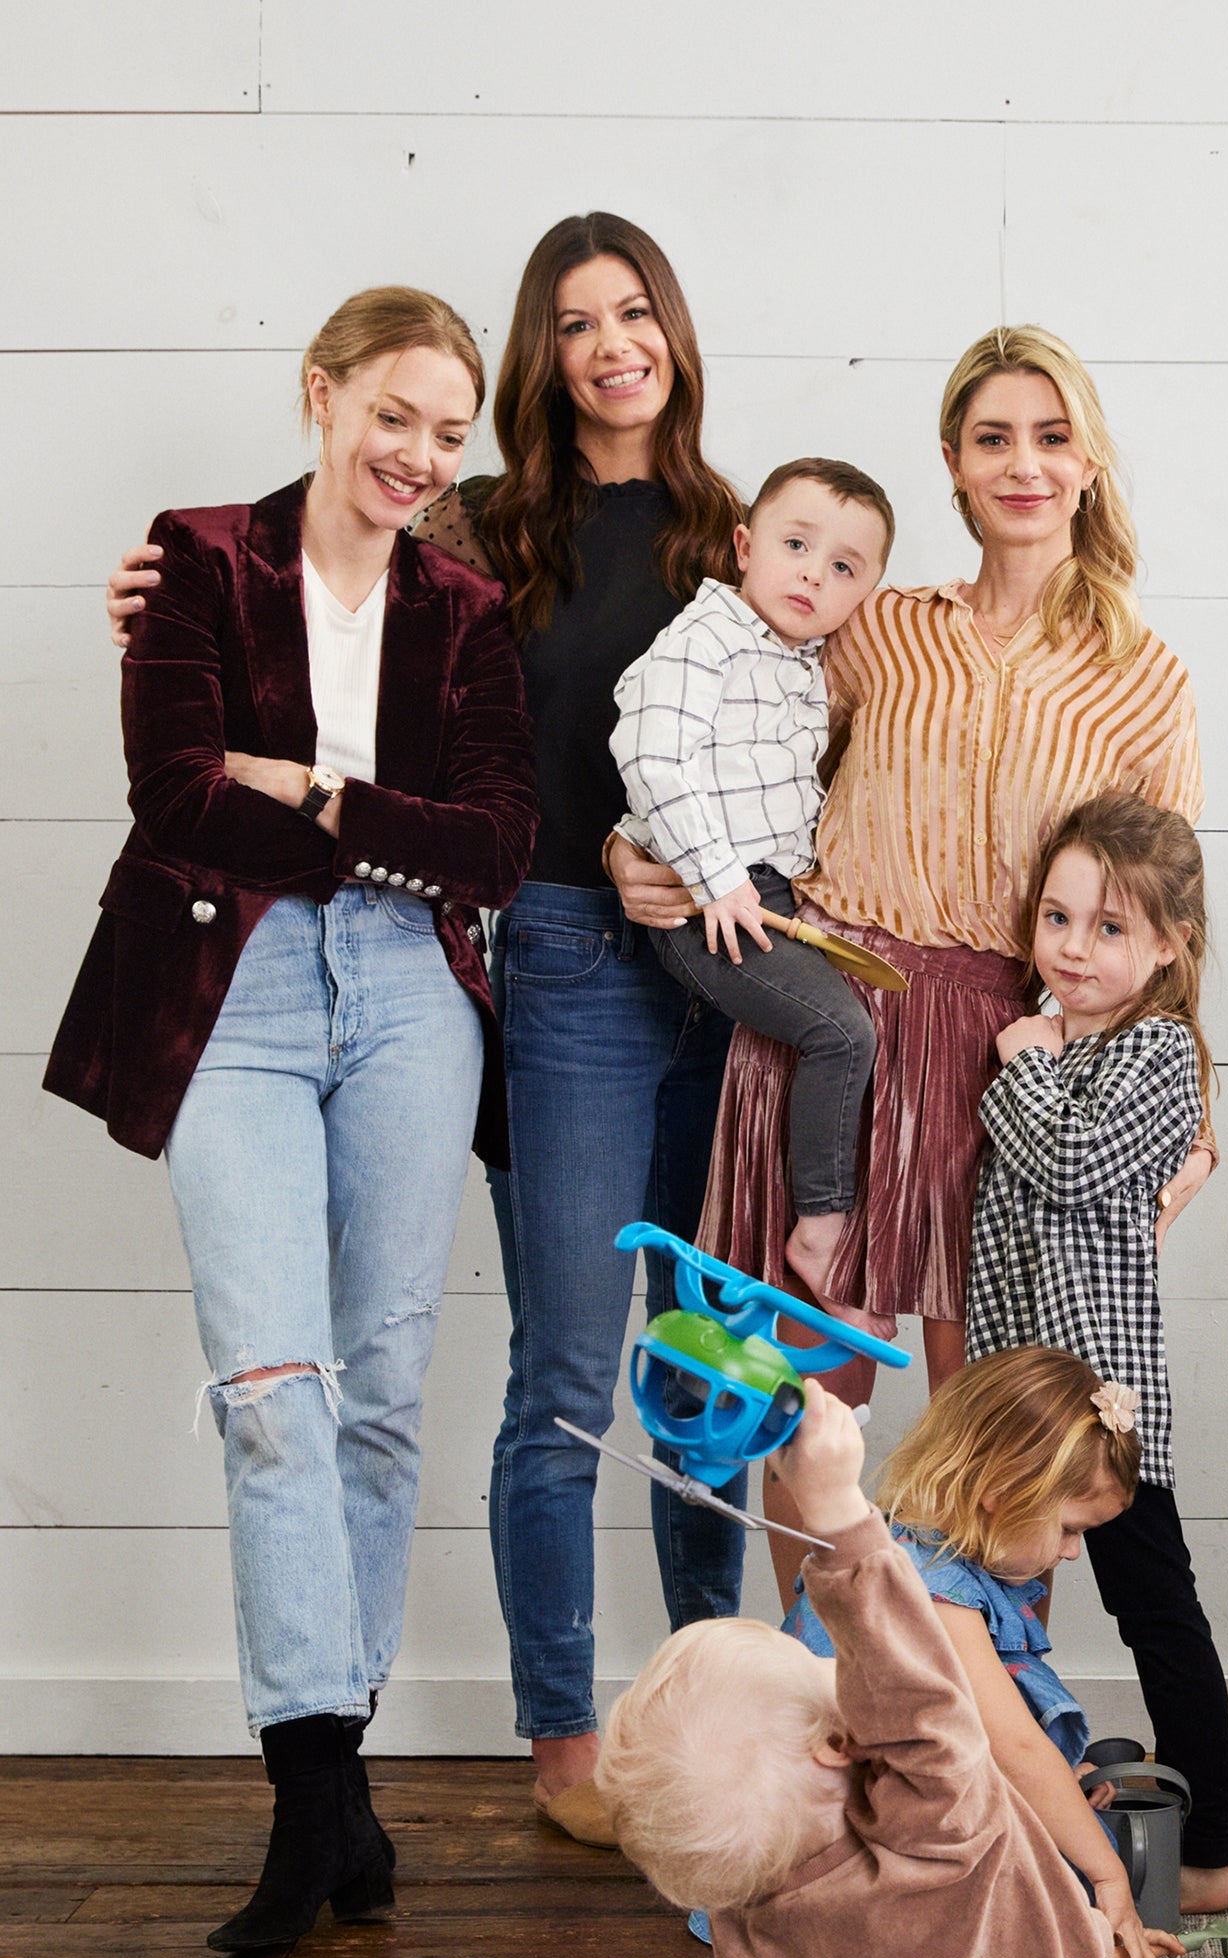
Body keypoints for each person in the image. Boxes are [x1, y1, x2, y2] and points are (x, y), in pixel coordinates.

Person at [106, 216, 752, 1849]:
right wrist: (163, 601)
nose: (614, 346)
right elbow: (299, 614)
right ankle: (562, 1736)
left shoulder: (744, 533)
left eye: (637, 315)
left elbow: (825, 719)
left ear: (674, 332)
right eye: (578, 322)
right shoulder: (480, 521)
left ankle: (720, 1716)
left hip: (729, 976)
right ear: (542, 351)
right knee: (564, 1376)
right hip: (550, 957)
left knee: (716, 1368)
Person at [50, 288, 535, 1953]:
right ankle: (314, 1793)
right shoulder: (200, 559)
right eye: (389, 413)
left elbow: (495, 850)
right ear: (321, 398)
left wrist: (310, 791)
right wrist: (364, 818)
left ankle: (336, 1782)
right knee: (274, 1391)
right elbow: (177, 796)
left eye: (445, 428)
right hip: (231, 991)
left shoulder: (467, 607)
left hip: (411, 990)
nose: (414, 453)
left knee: (382, 1392)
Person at [322, 1385, 1135, 1958]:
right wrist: (839, 1517)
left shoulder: (751, 1947)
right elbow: (921, 1702)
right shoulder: (942, 1819)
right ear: (840, 1740)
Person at [604, 324, 1213, 1469]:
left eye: (1050, 436)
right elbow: (724, 742)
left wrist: (1190, 1119)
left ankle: (975, 1655)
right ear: (953, 462)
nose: (1022, 464)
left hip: (1002, 1050)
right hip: (821, 1007)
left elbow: (1162, 923)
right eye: (993, 439)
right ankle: (814, 1659)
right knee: (794, 1402)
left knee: (993, 1425)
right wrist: (625, 848)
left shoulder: (1147, 680)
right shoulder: (878, 627)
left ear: (1088, 461)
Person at [966, 796, 1228, 1909]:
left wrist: (1020, 1066)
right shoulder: (1047, 1041)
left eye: (1110, 928)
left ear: (1170, 944)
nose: (1074, 949)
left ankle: (1212, 1849)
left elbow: (1070, 1168)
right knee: (1001, 1612)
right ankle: (1018, 1812)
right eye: (1058, 918)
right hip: (1019, 1401)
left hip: (1102, 1407)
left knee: (1155, 1612)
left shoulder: (1160, 1055)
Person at [782, 1343, 1184, 1958]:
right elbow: (1011, 1748)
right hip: (840, 1845)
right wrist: (1108, 1878)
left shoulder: (947, 1562)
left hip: (901, 1798)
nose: (1074, 1554)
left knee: (1065, 1836)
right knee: (1062, 1875)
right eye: (1070, 1529)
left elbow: (976, 1723)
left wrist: (1064, 1783)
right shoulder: (930, 1588)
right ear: (1003, 1492)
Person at [611, 458, 891, 1303]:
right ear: (743, 546)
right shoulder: (706, 640)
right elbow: (651, 757)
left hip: (766, 895)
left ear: (865, 592)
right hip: (714, 906)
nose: (814, 572)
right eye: (796, 545)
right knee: (842, 1034)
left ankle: (810, 1253)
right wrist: (719, 879)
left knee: (864, 1030)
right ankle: (820, 1229)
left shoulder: (804, 663)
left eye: (843, 567)